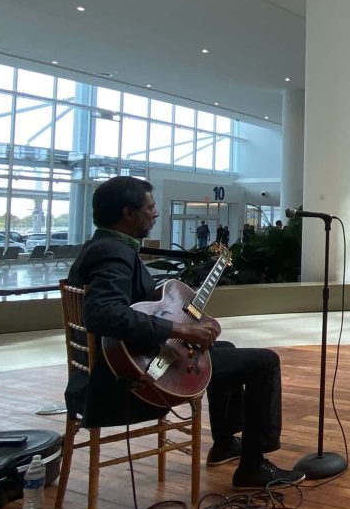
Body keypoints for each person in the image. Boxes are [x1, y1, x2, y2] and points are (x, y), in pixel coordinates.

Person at [65, 177, 290, 489]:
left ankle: (225, 443)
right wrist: (179, 328)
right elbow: (103, 313)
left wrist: (176, 306)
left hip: (118, 367)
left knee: (222, 347)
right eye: (150, 207)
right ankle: (253, 467)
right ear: (128, 213)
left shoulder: (101, 247)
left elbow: (132, 302)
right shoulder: (112, 253)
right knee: (264, 361)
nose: (155, 213)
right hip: (130, 381)